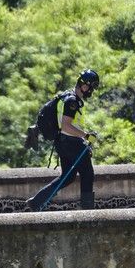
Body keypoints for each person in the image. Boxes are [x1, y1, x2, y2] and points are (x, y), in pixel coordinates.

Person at [26, 69, 100, 211]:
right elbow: (66, 126)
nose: (91, 91)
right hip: (72, 143)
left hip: (62, 142)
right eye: (91, 87)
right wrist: (85, 136)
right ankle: (88, 212)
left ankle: (36, 202)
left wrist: (84, 134)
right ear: (85, 85)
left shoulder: (67, 96)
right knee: (87, 174)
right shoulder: (72, 101)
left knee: (68, 177)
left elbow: (65, 125)